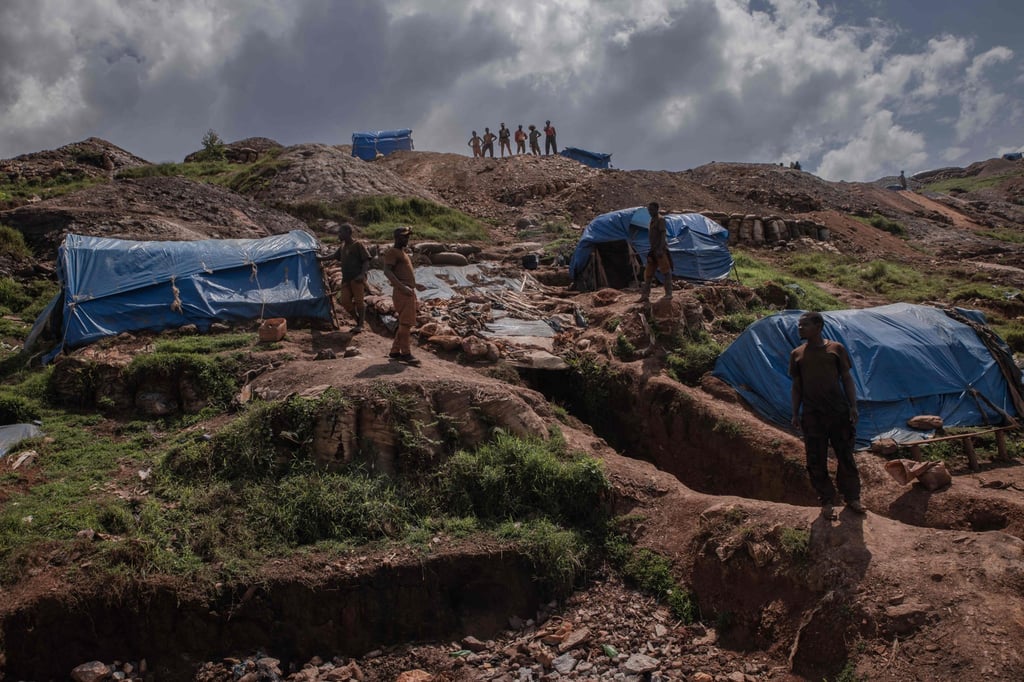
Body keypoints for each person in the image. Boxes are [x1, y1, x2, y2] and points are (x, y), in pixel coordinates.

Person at [789, 311, 864, 517]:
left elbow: (847, 378)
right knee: (815, 459)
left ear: (818, 327)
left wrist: (853, 406)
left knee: (845, 456)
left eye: (804, 325)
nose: (800, 328)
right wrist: (795, 412)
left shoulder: (835, 349)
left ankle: (852, 498)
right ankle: (827, 500)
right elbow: (797, 386)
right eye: (799, 325)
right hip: (812, 415)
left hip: (838, 412)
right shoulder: (797, 354)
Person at [317, 223, 371, 333]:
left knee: (359, 301)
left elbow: (366, 260)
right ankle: (358, 321)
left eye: (341, 232)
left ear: (348, 233)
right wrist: (320, 258)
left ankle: (360, 325)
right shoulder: (343, 246)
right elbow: (334, 256)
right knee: (345, 301)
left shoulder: (358, 245)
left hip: (357, 278)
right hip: (346, 279)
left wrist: (362, 274)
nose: (339, 235)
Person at [383, 226, 420, 365]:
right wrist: (402, 287)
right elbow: (387, 271)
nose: (407, 239)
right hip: (403, 293)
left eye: (408, 236)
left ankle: (395, 351)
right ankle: (406, 353)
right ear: (397, 237)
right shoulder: (393, 252)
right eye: (404, 236)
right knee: (405, 324)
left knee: (404, 323)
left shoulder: (401, 252)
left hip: (407, 292)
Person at [639, 202, 672, 302]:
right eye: (649, 210)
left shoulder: (660, 219)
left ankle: (669, 294)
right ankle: (645, 296)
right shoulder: (651, 220)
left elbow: (663, 235)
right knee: (648, 273)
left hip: (660, 250)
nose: (650, 211)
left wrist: (661, 249)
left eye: (652, 210)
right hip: (653, 250)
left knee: (666, 272)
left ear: (657, 209)